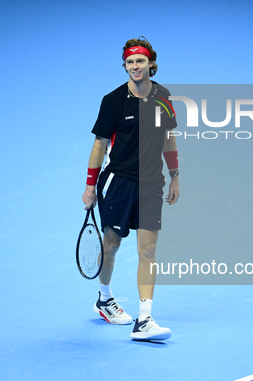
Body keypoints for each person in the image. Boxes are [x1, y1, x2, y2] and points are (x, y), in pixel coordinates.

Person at [82, 37, 180, 340]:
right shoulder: (112, 101)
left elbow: (168, 137)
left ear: (151, 63)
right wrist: (89, 186)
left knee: (148, 250)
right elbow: (99, 145)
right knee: (111, 246)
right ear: (125, 66)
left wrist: (175, 174)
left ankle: (145, 319)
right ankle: (105, 298)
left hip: (152, 184)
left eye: (139, 61)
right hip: (118, 183)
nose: (135, 67)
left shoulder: (163, 96)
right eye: (129, 62)